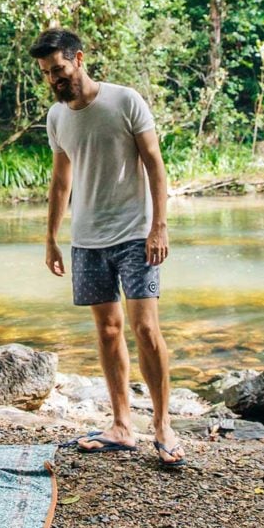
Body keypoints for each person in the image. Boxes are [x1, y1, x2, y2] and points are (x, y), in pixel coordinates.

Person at [29, 28, 186, 467]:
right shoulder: (57, 117)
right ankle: (121, 425)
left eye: (58, 69)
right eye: (46, 74)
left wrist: (160, 226)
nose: (53, 79)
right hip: (87, 239)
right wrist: (51, 238)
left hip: (136, 232)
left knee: (146, 330)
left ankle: (162, 426)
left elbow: (155, 163)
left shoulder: (124, 101)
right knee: (108, 331)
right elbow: (62, 180)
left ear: (78, 59)